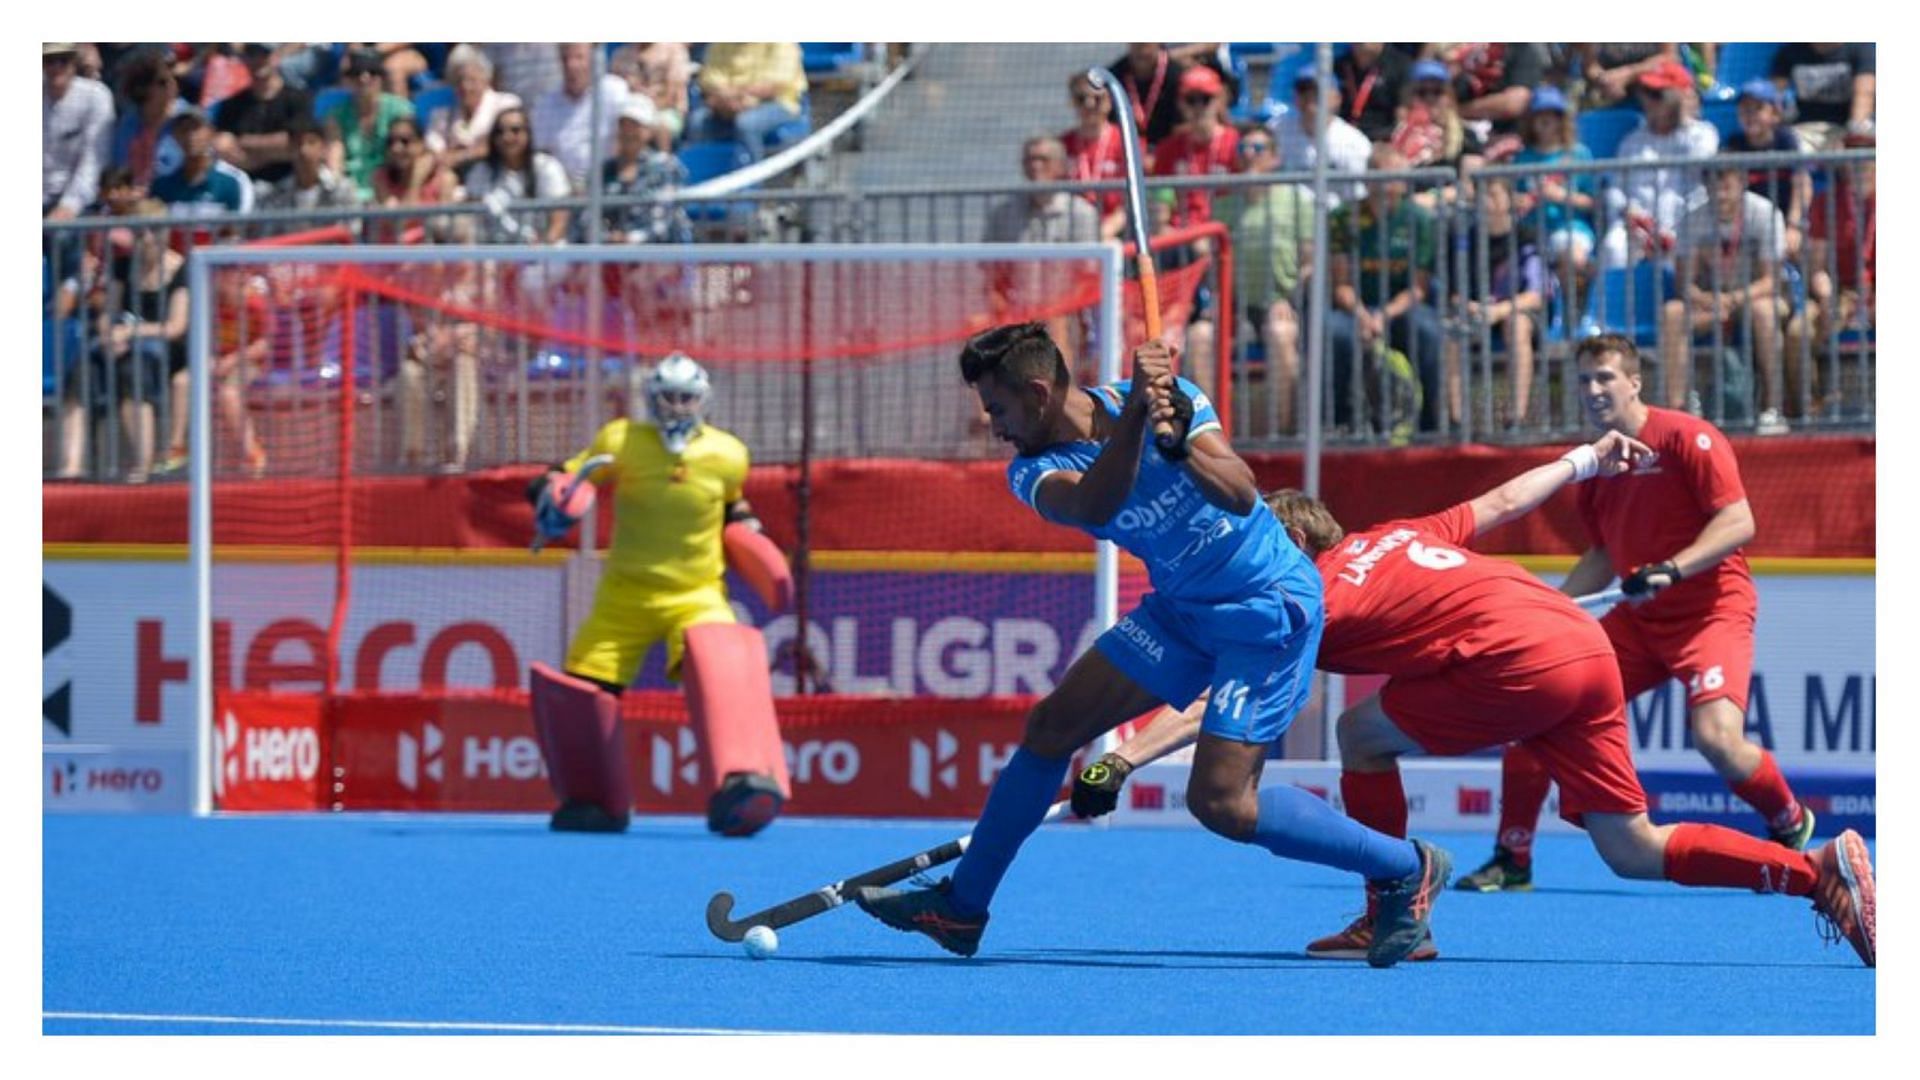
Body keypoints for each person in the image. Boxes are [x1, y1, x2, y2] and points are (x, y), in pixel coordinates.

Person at [1073, 444, 1876, 969]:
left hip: (1516, 663)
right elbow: (1501, 501)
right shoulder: (1397, 532)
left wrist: (1119, 756)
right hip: (1585, 646)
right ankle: (1815, 873)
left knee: (1360, 730)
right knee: (1632, 848)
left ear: (1282, 549)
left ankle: (1392, 899)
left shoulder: (1304, 595)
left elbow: (1221, 699)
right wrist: (1587, 457)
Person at [850, 323, 1451, 968]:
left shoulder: (1176, 400)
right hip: (1182, 611)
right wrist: (1138, 420)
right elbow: (1095, 504)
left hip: (1265, 608)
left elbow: (1243, 492)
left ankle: (1404, 867)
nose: (994, 426)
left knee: (1221, 804)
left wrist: (1180, 440)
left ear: (1037, 391)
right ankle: (962, 907)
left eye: (998, 408)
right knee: (1053, 726)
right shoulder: (1034, 470)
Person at [1453, 333, 1817, 892]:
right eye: (1583, 380)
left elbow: (1739, 522)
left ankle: (1789, 823)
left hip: (1711, 613)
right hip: (1637, 626)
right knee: (1534, 714)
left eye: (1605, 378)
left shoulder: (1688, 438)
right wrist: (1550, 608)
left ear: (1634, 382)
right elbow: (1602, 553)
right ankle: (1512, 857)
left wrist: (1671, 567)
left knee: (1717, 738)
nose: (1593, 390)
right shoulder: (1596, 467)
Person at [527, 353, 767, 829]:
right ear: (651, 399)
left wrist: (752, 534)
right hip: (626, 593)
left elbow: (732, 508)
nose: (677, 407)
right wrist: (549, 496)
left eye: (687, 398)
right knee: (583, 688)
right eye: (668, 398)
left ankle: (745, 784)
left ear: (703, 400)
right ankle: (594, 800)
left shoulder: (729, 453)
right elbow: (571, 476)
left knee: (724, 671)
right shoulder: (620, 440)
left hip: (697, 593)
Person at [60, 205, 186, 483]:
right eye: (139, 232)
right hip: (122, 345)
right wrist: (109, 335)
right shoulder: (123, 266)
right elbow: (108, 314)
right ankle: (72, 466)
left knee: (133, 371)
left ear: (164, 234)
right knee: (82, 370)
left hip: (163, 349)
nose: (145, 239)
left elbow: (176, 327)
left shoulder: (181, 269)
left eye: (150, 232)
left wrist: (131, 333)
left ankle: (142, 467)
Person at [1324, 144, 1444, 436]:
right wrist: (1364, 315)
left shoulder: (1420, 220)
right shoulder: (1343, 218)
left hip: (1401, 307)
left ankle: (1431, 422)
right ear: (1368, 180)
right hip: (1356, 306)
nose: (1388, 186)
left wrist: (1383, 316)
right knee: (1335, 333)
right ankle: (1340, 421)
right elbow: (1341, 285)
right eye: (1382, 177)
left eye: (1395, 178)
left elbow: (1418, 287)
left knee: (1427, 331)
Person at [1662, 164, 1790, 429]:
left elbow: (1771, 280)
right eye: (1714, 187)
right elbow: (1685, 283)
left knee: (1764, 312)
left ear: (1742, 183)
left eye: (1727, 186)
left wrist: (1734, 299)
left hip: (1755, 298)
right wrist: (1707, 299)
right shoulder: (1693, 218)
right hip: (1711, 302)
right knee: (1673, 312)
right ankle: (1678, 411)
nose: (1720, 195)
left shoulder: (1764, 213)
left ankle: (1773, 406)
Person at [1217, 126, 1313, 435]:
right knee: (1201, 337)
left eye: (1257, 149)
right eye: (1242, 148)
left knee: (1281, 334)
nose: (1248, 155)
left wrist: (1291, 296)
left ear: (1274, 158)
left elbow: (1310, 262)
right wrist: (1216, 300)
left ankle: (1280, 433)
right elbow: (1211, 262)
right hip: (1235, 305)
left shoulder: (1296, 201)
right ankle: (1209, 437)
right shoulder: (1223, 205)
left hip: (1282, 303)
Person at [1600, 59, 1718, 269]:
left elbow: (1700, 166)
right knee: (1614, 246)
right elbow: (1615, 188)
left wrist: (1682, 113)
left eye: (1658, 95)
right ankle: (1617, 302)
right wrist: (1630, 213)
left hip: (1683, 225)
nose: (1648, 101)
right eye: (1645, 92)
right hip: (1637, 229)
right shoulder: (1632, 141)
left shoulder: (1702, 134)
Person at [1510, 85, 1597, 274]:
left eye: (1553, 114)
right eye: (1539, 114)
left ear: (1561, 119)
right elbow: (1513, 196)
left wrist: (1560, 195)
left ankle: (1574, 302)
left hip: (1570, 227)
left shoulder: (1578, 154)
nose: (1545, 120)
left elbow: (1593, 201)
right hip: (1531, 231)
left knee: (1573, 257)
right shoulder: (1522, 157)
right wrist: (1519, 200)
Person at [465, 106, 573, 246]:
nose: (507, 137)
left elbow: (559, 220)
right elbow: (473, 218)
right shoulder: (481, 171)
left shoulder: (547, 166)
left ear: (528, 134)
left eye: (515, 130)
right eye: (500, 132)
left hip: (542, 251)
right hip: (494, 252)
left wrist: (542, 248)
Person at [211, 43, 311, 190]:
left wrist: (242, 142)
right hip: (246, 186)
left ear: (276, 57)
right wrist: (274, 151)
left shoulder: (299, 99)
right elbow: (223, 148)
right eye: (251, 55)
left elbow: (296, 146)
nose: (258, 60)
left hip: (290, 186)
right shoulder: (231, 105)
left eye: (264, 54)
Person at [688, 43, 808, 163]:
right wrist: (729, 99)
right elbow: (709, 79)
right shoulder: (720, 44)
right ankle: (705, 173)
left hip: (776, 103)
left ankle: (751, 175)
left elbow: (775, 84)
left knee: (747, 123)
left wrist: (737, 97)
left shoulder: (782, 43)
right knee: (697, 121)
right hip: (727, 102)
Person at [1150, 65, 1238, 228]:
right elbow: (1161, 203)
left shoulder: (1237, 144)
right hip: (1181, 237)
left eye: (1205, 99)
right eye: (1191, 100)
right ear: (1180, 104)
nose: (1198, 107)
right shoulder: (1168, 149)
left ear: (1219, 100)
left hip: (1224, 232)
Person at [323, 46, 416, 201]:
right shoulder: (336, 116)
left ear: (381, 78)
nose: (364, 78)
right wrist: (336, 183)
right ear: (349, 80)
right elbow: (335, 157)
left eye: (372, 72)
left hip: (391, 187)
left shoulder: (401, 110)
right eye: (357, 73)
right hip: (351, 193)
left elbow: (410, 153)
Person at [532, 42, 628, 190]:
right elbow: (542, 154)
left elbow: (628, 141)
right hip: (564, 193)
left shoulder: (615, 91)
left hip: (607, 185)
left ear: (593, 59)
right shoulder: (545, 105)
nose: (571, 65)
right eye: (565, 59)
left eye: (579, 58)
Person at [598, 95, 692, 245]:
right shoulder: (604, 170)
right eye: (624, 125)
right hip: (610, 255)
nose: (629, 132)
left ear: (649, 131)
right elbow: (589, 217)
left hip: (658, 254)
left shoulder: (666, 166)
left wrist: (632, 239)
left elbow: (665, 217)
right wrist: (607, 237)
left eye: (636, 125)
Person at [1270, 71, 1373, 207]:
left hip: (1335, 221)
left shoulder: (1354, 142)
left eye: (1317, 92)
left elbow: (1358, 197)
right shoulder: (1276, 130)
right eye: (1303, 92)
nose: (1310, 98)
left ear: (1337, 98)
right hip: (1287, 219)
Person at [422, 44, 522, 177]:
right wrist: (474, 150)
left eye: (472, 80)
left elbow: (493, 147)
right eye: (459, 80)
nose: (465, 86)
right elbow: (435, 153)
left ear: (486, 79)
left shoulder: (505, 104)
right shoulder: (441, 115)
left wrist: (459, 155)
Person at [43, 42, 115, 221]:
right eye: (49, 60)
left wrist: (70, 205)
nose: (56, 67)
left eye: (63, 60)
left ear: (74, 62)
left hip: (79, 200)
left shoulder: (96, 96)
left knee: (64, 236)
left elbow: (94, 159)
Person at [982, 135, 1100, 244]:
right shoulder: (1003, 215)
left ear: (1061, 166)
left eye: (1043, 159)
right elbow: (987, 260)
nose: (1035, 166)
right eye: (1030, 160)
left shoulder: (1081, 214)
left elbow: (1088, 262)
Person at [1058, 71, 1127, 240]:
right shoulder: (1061, 145)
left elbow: (1134, 199)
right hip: (1071, 230)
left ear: (1109, 102)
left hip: (1115, 230)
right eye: (1081, 99)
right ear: (1072, 103)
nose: (1089, 105)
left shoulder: (1127, 141)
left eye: (1097, 99)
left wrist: (1107, 230)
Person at [1770, 43, 1874, 150]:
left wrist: (1853, 137)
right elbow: (1774, 95)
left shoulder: (1861, 49)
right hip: (1804, 129)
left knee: (1861, 148)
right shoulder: (1790, 52)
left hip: (1844, 128)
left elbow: (1864, 95)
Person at [150, 112, 255, 217]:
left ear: (211, 133)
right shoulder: (162, 185)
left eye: (196, 128)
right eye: (184, 129)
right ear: (175, 136)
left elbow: (239, 227)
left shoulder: (233, 182)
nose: (190, 136)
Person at [256, 117, 360, 211]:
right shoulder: (276, 194)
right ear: (289, 149)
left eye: (311, 142)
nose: (303, 150)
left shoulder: (343, 190)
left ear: (323, 148)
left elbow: (349, 229)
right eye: (297, 144)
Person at [1107, 44, 1188, 149]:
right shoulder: (1115, 77)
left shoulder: (1178, 76)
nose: (1142, 48)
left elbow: (1184, 125)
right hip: (1125, 149)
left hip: (1169, 149)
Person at [1332, 43, 1411, 143]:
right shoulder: (1339, 65)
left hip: (1381, 138)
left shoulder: (1400, 65)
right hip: (1343, 137)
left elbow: (1403, 113)